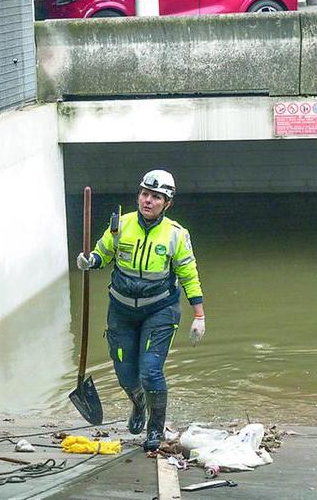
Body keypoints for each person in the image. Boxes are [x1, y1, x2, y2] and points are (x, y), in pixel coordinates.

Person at [76, 169, 206, 451]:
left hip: (160, 310)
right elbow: (102, 253)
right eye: (145, 194)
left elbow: (189, 274)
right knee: (125, 373)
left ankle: (155, 430)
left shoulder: (176, 235)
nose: (148, 201)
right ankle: (138, 404)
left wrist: (199, 315)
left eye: (156, 197)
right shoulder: (120, 225)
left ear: (167, 203)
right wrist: (90, 260)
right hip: (121, 311)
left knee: (150, 371)